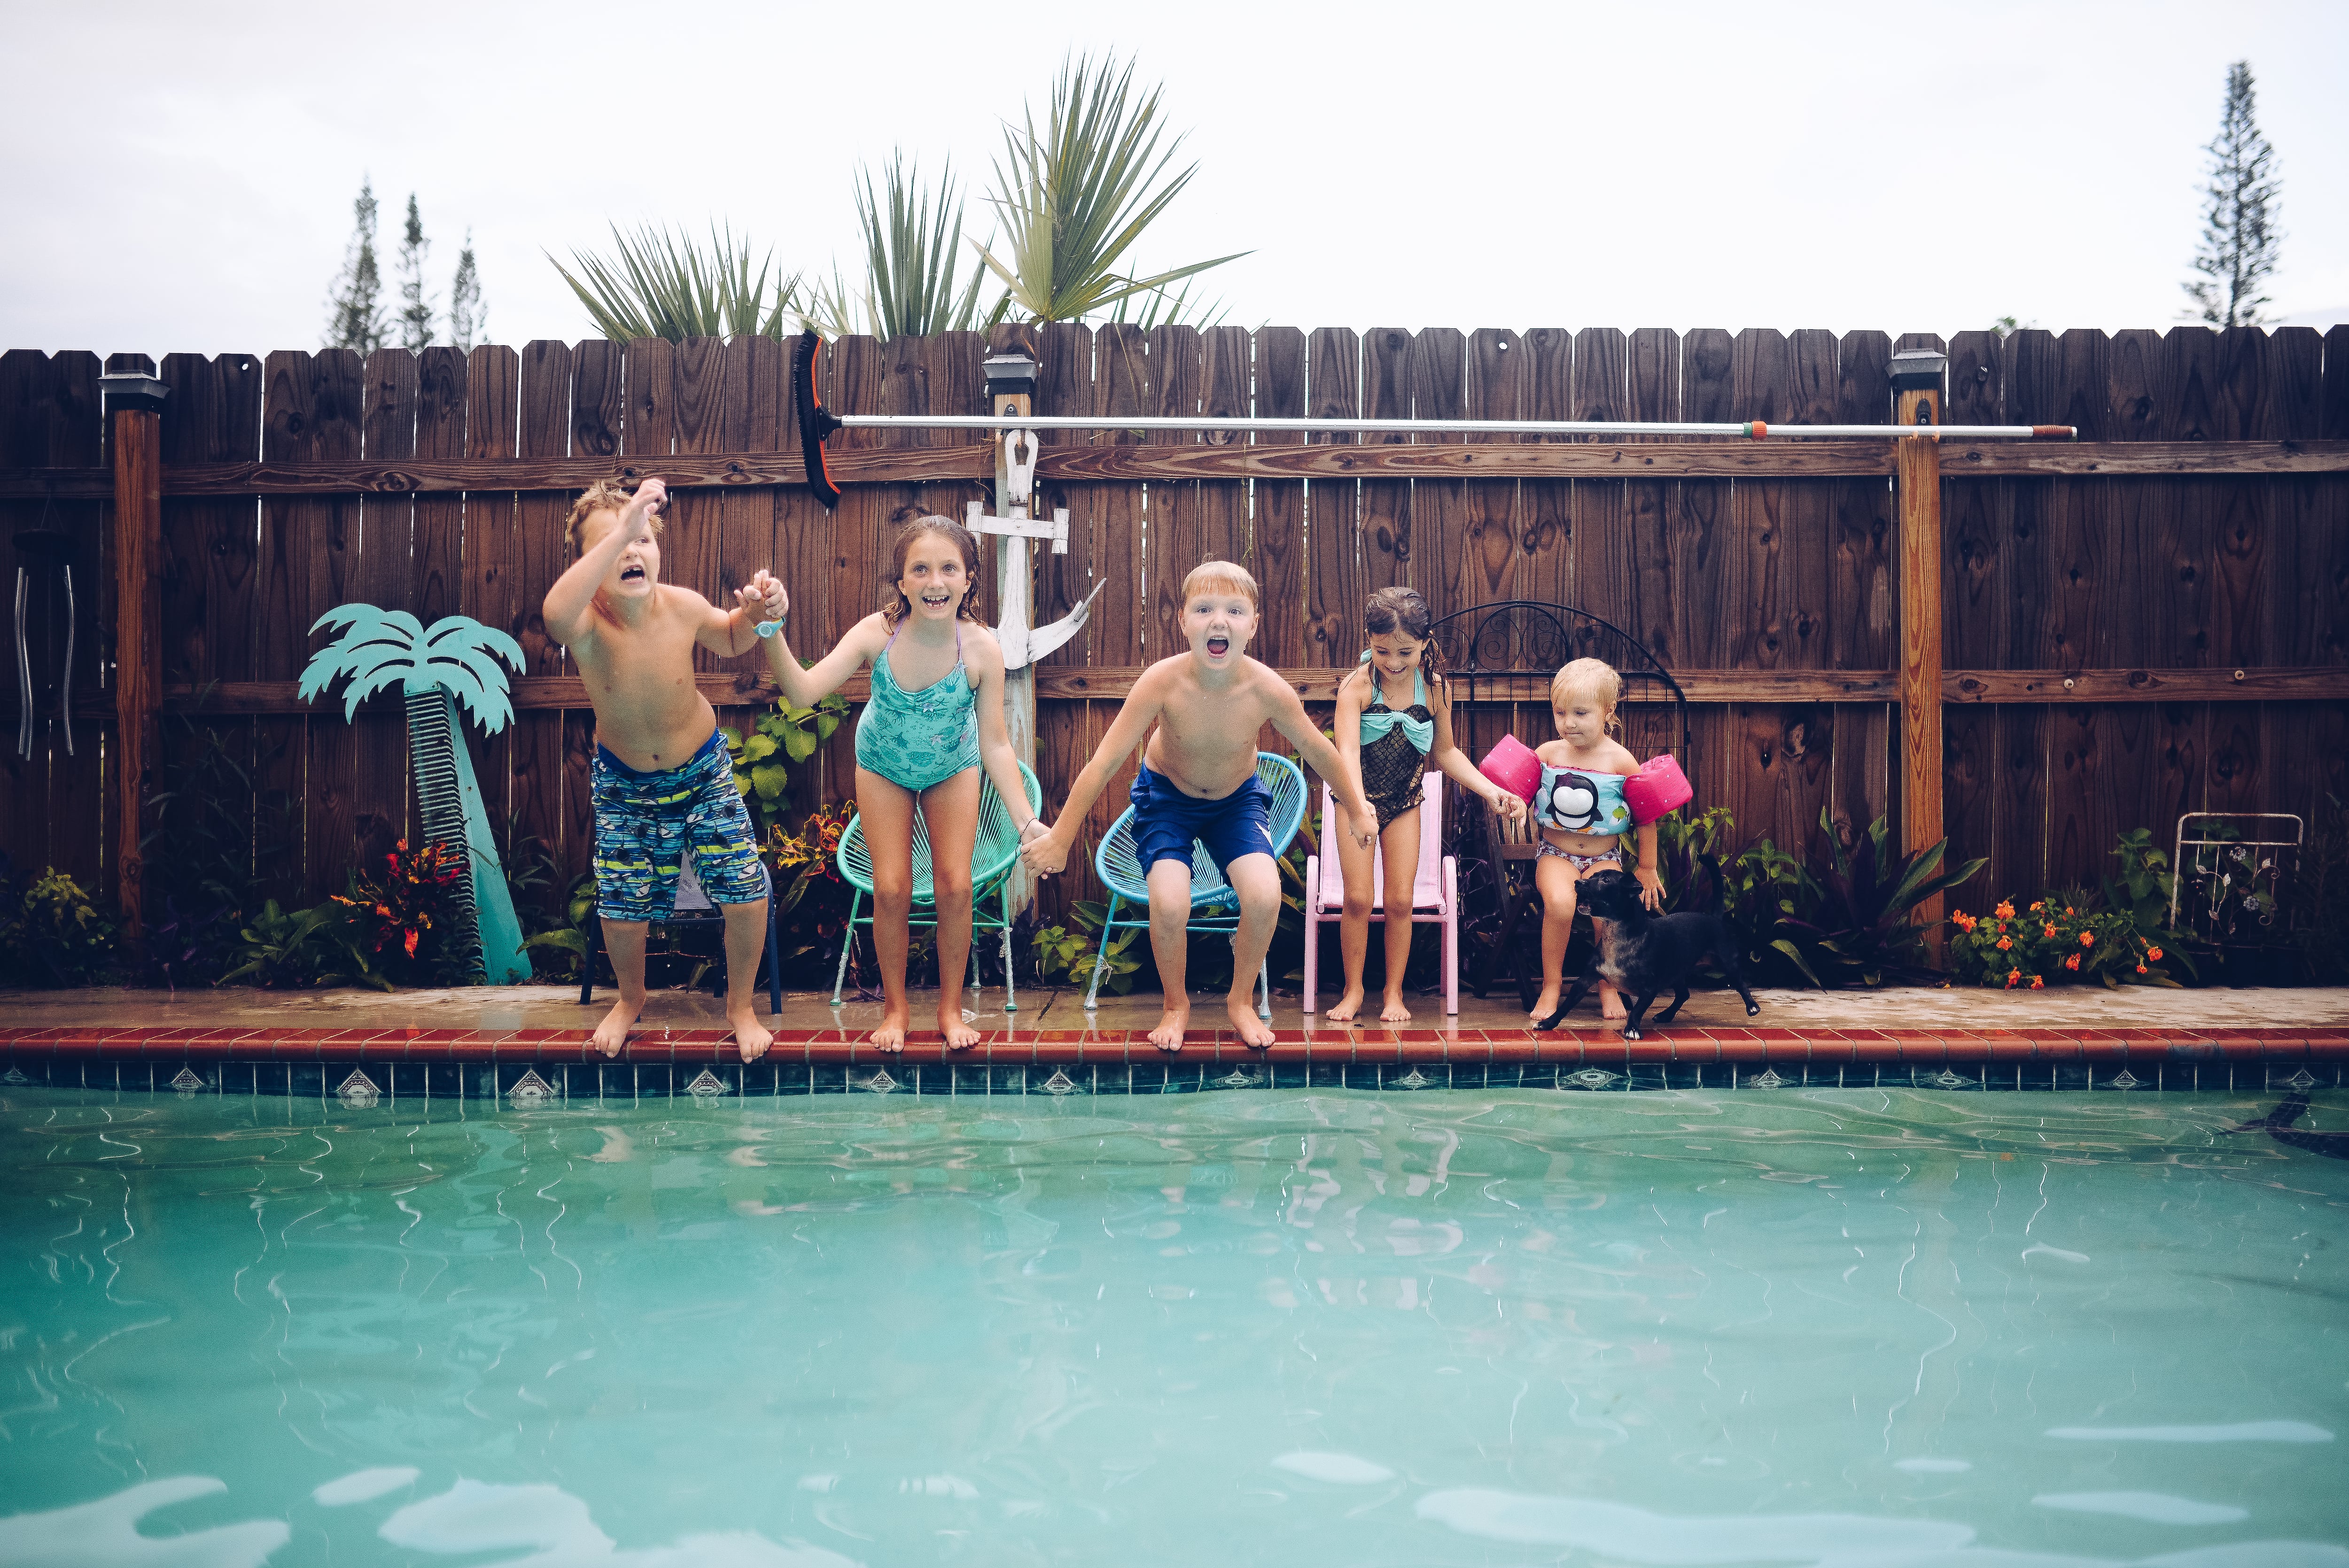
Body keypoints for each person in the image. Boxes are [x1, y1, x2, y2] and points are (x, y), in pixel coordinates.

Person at [1021, 560, 1378, 1052]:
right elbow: (1104, 762)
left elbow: (1320, 750)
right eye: (1204, 608)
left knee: (1263, 895)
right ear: (1183, 621)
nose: (1219, 621)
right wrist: (1060, 837)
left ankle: (1239, 1000)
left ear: (1253, 624)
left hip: (1236, 802)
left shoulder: (1266, 688)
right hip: (1167, 799)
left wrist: (1357, 807)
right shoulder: (1161, 682)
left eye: (1234, 610)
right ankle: (1176, 1003)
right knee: (1169, 903)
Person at [751, 514, 1039, 1053]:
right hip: (882, 765)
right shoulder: (875, 635)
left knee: (956, 885)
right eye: (921, 569)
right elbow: (803, 691)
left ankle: (951, 1010)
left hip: (952, 766)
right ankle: (896, 1009)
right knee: (890, 888)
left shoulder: (979, 650)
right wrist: (771, 629)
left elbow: (997, 745)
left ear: (969, 579)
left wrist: (1026, 820)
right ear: (902, 582)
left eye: (949, 568)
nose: (936, 581)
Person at [541, 478, 779, 1063]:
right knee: (622, 909)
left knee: (745, 893)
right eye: (614, 543)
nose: (630, 551)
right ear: (588, 562)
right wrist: (620, 527)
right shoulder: (588, 624)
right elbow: (552, 615)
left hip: (702, 773)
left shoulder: (680, 605)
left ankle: (740, 1006)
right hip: (625, 786)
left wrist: (755, 612)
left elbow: (729, 639)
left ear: (658, 547)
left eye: (642, 538)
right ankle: (630, 998)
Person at [1326, 586, 1527, 1024]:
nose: (1394, 662)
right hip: (1356, 800)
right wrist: (1361, 810)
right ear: (1368, 640)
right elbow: (1348, 757)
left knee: (1400, 901)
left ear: (1424, 642)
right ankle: (1354, 990)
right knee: (1359, 900)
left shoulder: (1434, 688)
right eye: (1382, 652)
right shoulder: (1355, 688)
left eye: (1405, 651)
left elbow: (1447, 753)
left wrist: (1491, 792)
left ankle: (1394, 993)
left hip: (1404, 802)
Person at [1527, 657, 1665, 1025]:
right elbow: (1517, 795)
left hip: (1605, 858)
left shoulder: (1621, 762)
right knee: (1559, 904)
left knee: (1611, 914)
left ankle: (1609, 986)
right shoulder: (1547, 755)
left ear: (1608, 711)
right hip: (1556, 854)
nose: (1568, 723)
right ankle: (1552, 986)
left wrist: (1647, 867)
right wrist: (1508, 802)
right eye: (1560, 712)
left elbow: (1646, 819)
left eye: (1581, 713)